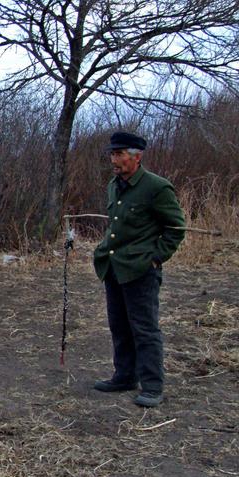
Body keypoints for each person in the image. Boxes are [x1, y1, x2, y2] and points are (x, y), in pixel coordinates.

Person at [92, 131, 185, 408]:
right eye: (112, 154)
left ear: (137, 156)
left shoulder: (157, 187)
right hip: (114, 267)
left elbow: (176, 228)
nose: (114, 159)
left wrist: (156, 258)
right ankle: (124, 376)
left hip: (140, 270)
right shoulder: (114, 184)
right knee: (119, 325)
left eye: (119, 154)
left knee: (144, 329)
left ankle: (152, 386)